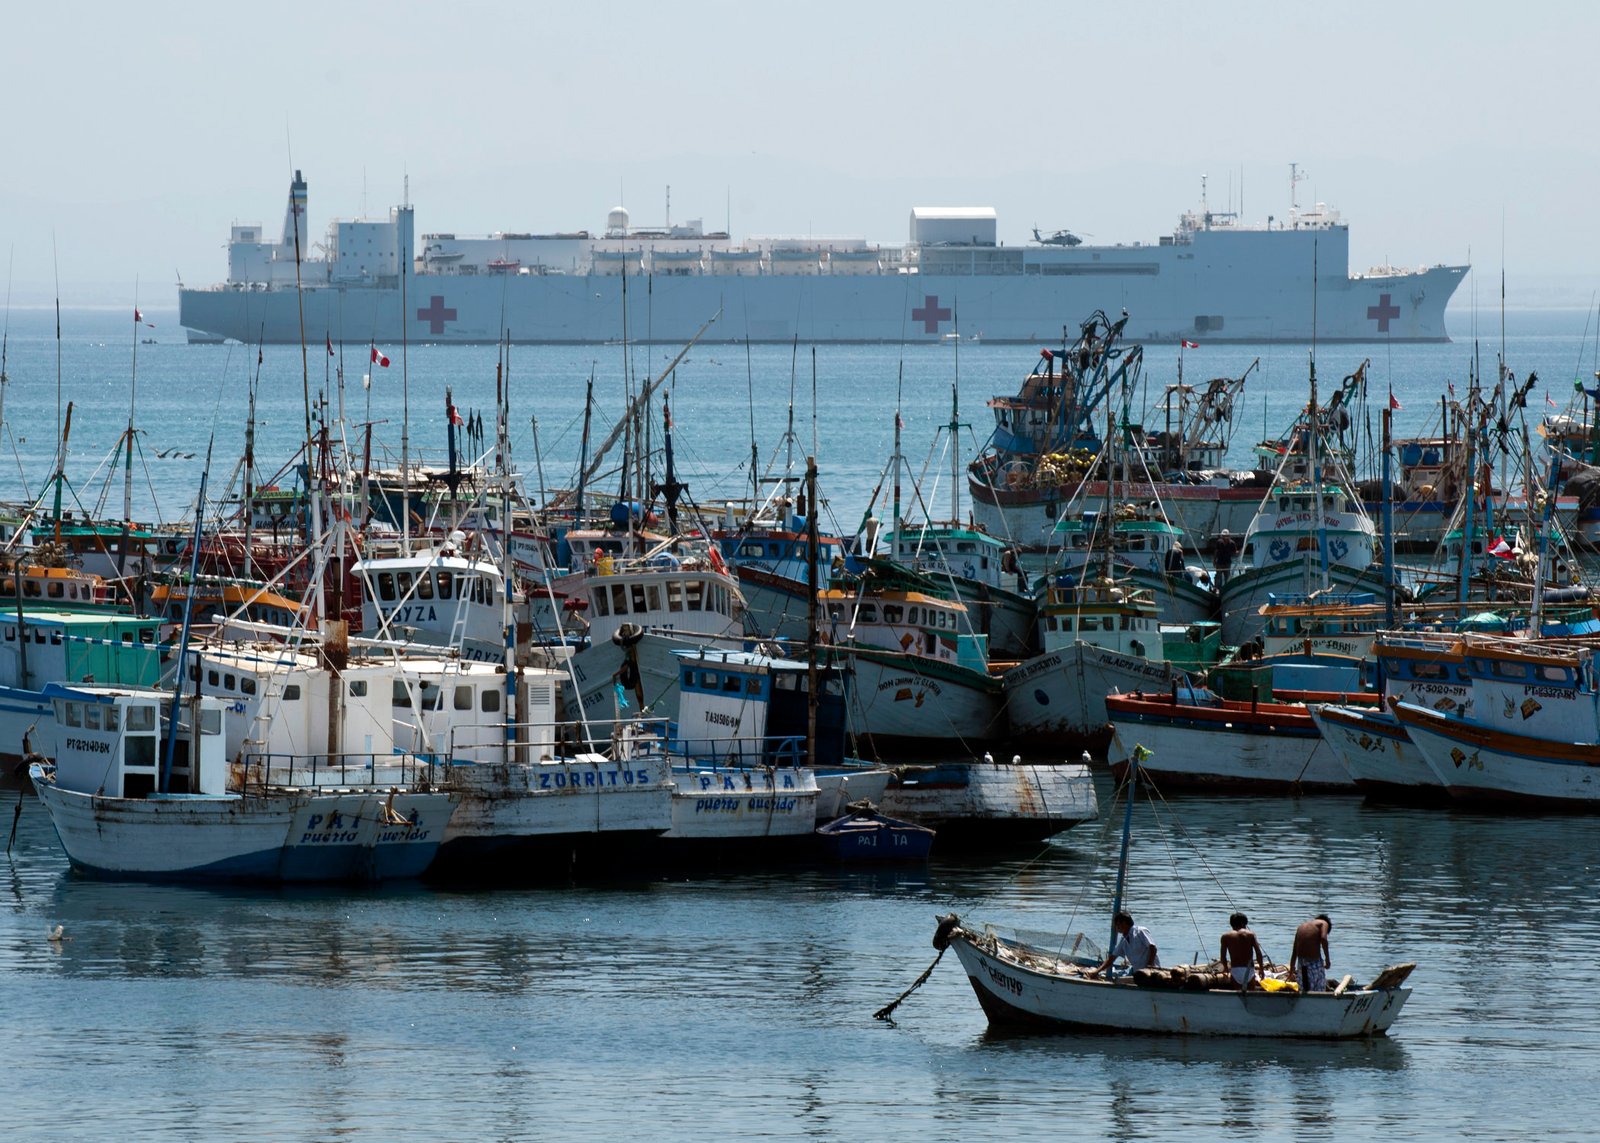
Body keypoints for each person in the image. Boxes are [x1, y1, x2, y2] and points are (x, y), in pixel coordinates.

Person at [1085, 911, 1158, 979]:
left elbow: (1153, 948)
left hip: (1152, 973)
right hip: (1139, 974)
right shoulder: (1123, 940)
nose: (1116, 927)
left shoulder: (1140, 931)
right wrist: (1097, 971)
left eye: (1117, 924)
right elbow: (1112, 958)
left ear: (1124, 923)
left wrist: (1149, 967)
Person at [1219, 912, 1267, 989]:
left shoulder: (1225, 936)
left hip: (1235, 970)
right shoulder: (1250, 934)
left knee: (1237, 996)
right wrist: (1261, 969)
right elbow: (1258, 953)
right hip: (1249, 970)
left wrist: (1225, 968)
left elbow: (1223, 957)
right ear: (1243, 923)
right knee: (1251, 995)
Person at [1289, 913, 1333, 992]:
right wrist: (1327, 959)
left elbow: (1294, 951)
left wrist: (1291, 969)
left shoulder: (1301, 927)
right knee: (1319, 990)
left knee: (1305, 990)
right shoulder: (1324, 923)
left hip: (1301, 964)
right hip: (1314, 963)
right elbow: (1323, 938)